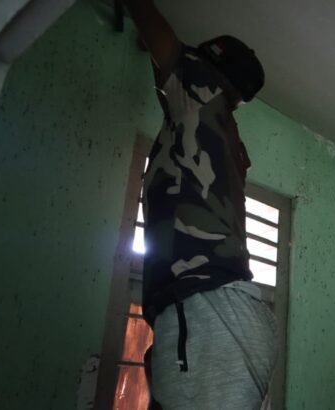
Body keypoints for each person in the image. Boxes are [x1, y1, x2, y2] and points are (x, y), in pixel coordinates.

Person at [122, 1, 277, 408]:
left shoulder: (201, 89)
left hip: (212, 312)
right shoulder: (222, 130)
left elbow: (169, 55)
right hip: (222, 313)